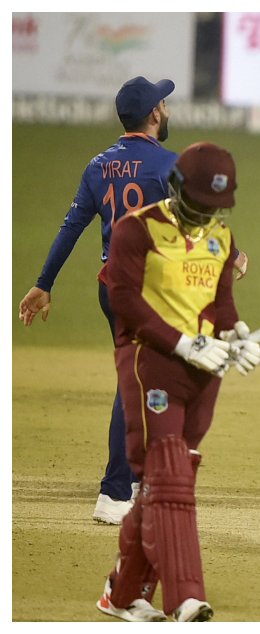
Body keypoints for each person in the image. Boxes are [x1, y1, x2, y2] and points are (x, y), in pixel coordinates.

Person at [95, 142, 260, 621]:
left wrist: (235, 334)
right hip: (150, 361)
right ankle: (186, 597)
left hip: (205, 370)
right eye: (197, 204)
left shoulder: (221, 237)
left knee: (165, 482)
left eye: (213, 207)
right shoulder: (137, 229)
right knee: (169, 475)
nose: (204, 215)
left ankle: (121, 593)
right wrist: (182, 342)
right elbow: (124, 299)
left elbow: (222, 303)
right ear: (176, 189)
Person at [18, 76, 180, 526]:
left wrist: (44, 282)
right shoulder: (169, 164)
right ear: (154, 114)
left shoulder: (98, 166)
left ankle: (136, 478)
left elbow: (71, 226)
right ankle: (114, 491)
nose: (167, 109)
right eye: (163, 103)